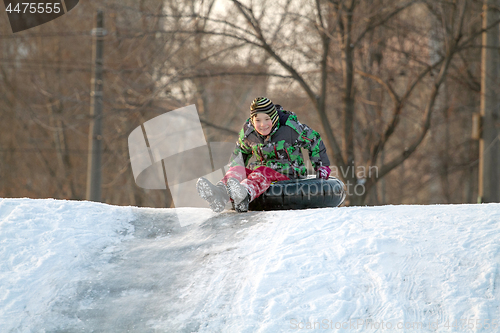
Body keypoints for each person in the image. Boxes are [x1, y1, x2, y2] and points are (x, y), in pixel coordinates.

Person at [196, 96, 331, 213]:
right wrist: (234, 172)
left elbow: (314, 139)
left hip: (289, 175)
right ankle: (220, 194)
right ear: (252, 120)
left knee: (262, 170)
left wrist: (321, 166)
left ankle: (244, 195)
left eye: (267, 119)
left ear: (273, 117)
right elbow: (240, 152)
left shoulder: (289, 128)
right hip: (260, 175)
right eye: (258, 120)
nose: (263, 125)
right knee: (238, 169)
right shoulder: (249, 133)